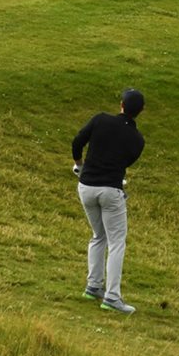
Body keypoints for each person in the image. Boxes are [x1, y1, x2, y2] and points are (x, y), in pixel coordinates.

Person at [72, 89, 146, 315]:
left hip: (86, 187)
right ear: (140, 111)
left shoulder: (100, 119)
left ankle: (93, 286)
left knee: (98, 236)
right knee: (116, 242)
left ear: (121, 104)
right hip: (111, 191)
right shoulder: (138, 140)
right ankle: (112, 297)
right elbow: (126, 161)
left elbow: (77, 142)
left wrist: (80, 165)